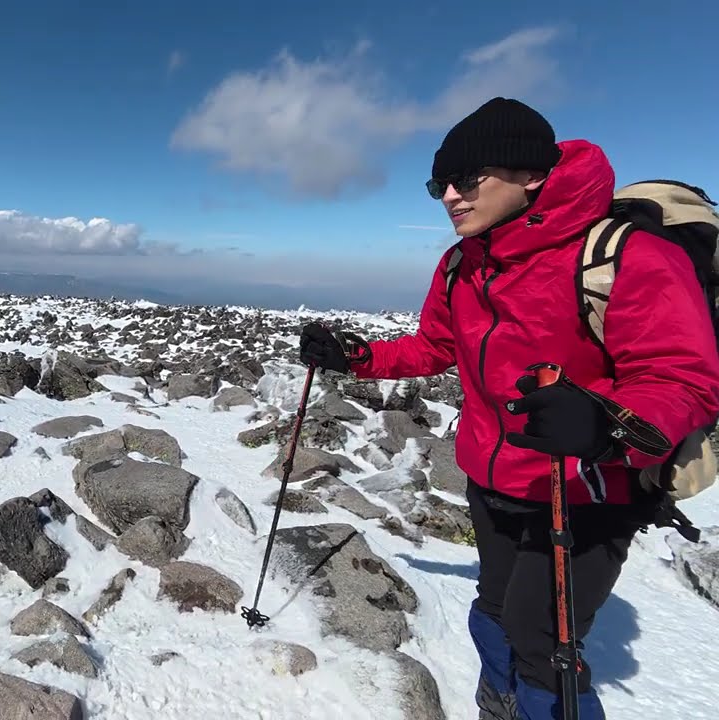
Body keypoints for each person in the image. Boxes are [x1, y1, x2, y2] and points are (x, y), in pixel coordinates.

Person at [299, 97, 719, 719]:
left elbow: (683, 378)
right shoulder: (462, 264)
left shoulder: (622, 255)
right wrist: (354, 357)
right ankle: (500, 706)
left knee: (542, 637)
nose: (449, 195)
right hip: (490, 475)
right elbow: (434, 346)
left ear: (531, 175)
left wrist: (606, 422)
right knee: (494, 607)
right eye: (437, 183)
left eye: (468, 179)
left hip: (588, 486)